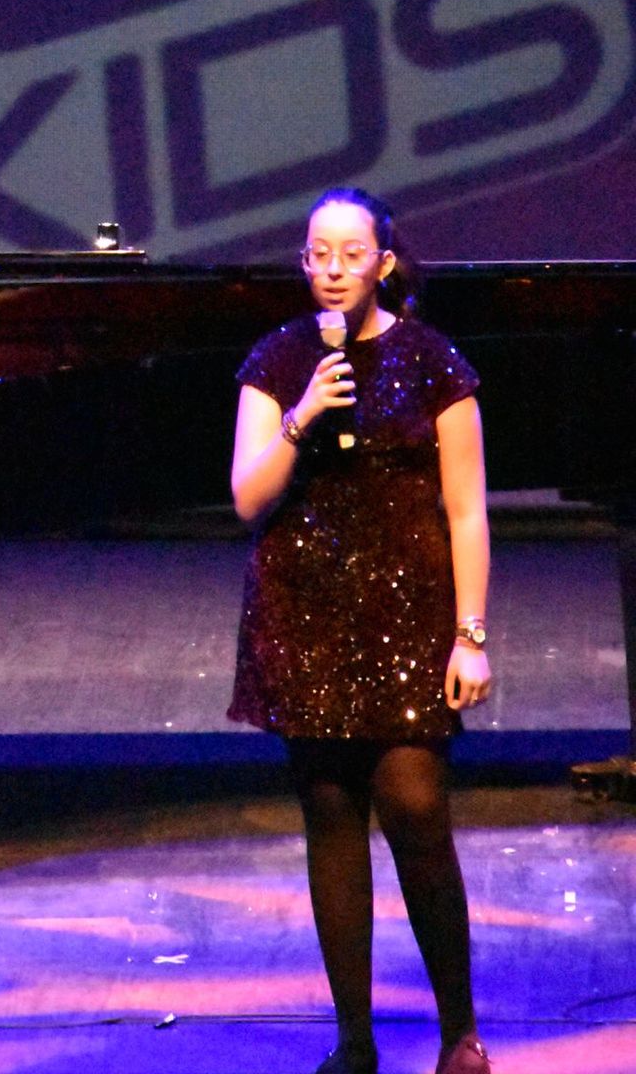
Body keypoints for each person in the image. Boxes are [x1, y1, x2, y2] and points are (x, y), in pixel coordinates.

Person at [228, 187, 492, 1074]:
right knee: (332, 815)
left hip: (409, 617)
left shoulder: (434, 362)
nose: (334, 271)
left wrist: (470, 634)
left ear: (383, 261)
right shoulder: (277, 362)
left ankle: (459, 1031)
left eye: (351, 254)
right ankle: (354, 1040)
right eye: (319, 255)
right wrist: (302, 415)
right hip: (304, 616)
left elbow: (467, 512)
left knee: (415, 807)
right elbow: (248, 497)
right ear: (303, 261)